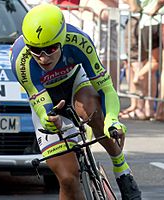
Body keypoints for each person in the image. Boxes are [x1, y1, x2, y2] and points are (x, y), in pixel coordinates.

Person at [10, 4, 142, 200]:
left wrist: (112, 119)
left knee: (93, 111)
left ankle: (122, 169)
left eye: (51, 48)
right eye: (35, 50)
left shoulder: (80, 41)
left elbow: (106, 88)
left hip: (74, 82)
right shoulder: (20, 60)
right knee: (68, 179)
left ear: (62, 39)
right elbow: (42, 106)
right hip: (47, 96)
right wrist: (49, 120)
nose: (43, 58)